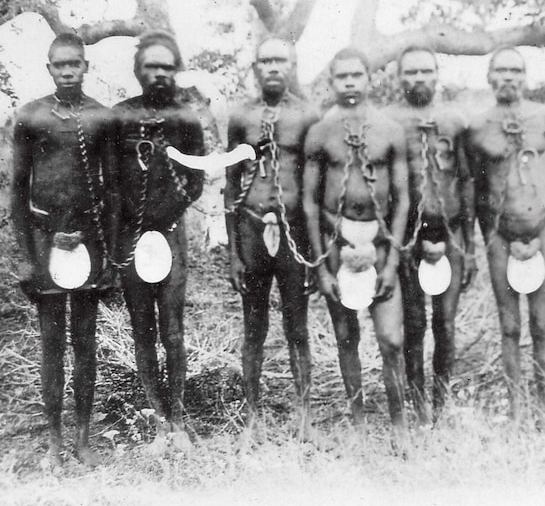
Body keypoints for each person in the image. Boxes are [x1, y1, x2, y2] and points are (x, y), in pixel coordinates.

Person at [11, 32, 119, 466]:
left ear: (86, 67)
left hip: (89, 243)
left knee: (86, 344)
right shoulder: (31, 115)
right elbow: (18, 191)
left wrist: (110, 255)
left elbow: (111, 191)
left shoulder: (101, 117)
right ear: (49, 68)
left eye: (75, 64)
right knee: (52, 343)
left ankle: (83, 440)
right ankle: (54, 442)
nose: (68, 71)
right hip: (44, 241)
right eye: (60, 65)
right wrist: (25, 254)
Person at [303, 47, 410, 433]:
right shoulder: (319, 133)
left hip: (380, 245)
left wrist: (393, 261)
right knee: (346, 337)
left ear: (369, 79)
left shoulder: (391, 131)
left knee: (390, 340)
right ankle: (360, 423)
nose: (349, 83)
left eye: (356, 76)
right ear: (331, 82)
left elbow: (403, 201)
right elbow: (310, 205)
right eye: (341, 77)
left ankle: (399, 423)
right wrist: (322, 268)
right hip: (336, 243)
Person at [113, 31, 205, 442]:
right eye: (151, 66)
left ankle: (179, 419)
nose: (159, 74)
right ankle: (156, 417)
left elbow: (196, 179)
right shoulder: (119, 116)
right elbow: (109, 178)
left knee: (172, 330)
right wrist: (129, 220)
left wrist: (163, 215)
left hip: (170, 235)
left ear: (176, 70)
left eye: (167, 66)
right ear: (138, 70)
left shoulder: (186, 117)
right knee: (142, 329)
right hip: (130, 237)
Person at [223, 38, 319, 431]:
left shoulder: (307, 115)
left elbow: (317, 185)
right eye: (266, 61)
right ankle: (251, 419)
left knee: (297, 326)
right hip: (250, 227)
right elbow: (230, 184)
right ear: (255, 67)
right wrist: (233, 252)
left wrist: (314, 252)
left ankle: (305, 416)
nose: (273, 67)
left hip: (293, 230)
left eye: (281, 60)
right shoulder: (241, 115)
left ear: (293, 63)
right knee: (253, 327)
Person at [466, 47, 545, 420]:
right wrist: (488, 235)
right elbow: (475, 188)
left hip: (540, 232)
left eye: (515, 70)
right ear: (489, 77)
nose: (508, 77)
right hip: (500, 237)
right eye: (501, 70)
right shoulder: (477, 128)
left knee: (540, 324)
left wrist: (544, 218)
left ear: (525, 76)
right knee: (509, 326)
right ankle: (518, 409)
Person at [382, 46, 477, 423]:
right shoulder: (387, 122)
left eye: (425, 71)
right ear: (398, 76)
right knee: (414, 322)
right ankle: (416, 400)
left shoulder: (454, 122)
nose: (418, 78)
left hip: (450, 231)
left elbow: (467, 180)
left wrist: (469, 247)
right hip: (407, 235)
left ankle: (441, 399)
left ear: (437, 74)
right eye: (410, 72)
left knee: (445, 321)